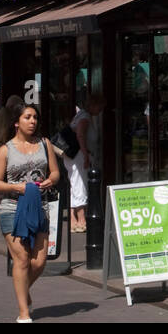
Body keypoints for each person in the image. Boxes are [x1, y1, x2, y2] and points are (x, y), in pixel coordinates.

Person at [0, 103, 59, 322]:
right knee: (22, 258)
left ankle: (23, 291)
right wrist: (16, 187)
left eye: (35, 117)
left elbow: (55, 172)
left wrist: (51, 180)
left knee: (39, 262)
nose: (33, 121)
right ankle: (24, 312)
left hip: (39, 205)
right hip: (13, 207)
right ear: (16, 122)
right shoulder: (5, 150)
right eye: (28, 117)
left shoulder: (44, 143)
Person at [65, 93, 103, 232]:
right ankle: (81, 219)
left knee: (74, 184)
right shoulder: (85, 117)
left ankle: (73, 219)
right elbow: (80, 134)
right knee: (80, 184)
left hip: (73, 155)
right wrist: (86, 154)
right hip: (79, 155)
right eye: (99, 107)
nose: (100, 110)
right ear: (93, 105)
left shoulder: (80, 114)